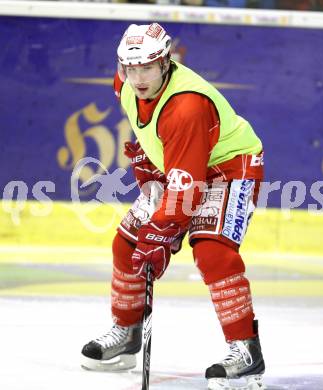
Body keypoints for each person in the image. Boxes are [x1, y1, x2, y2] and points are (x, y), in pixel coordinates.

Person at [81, 22, 266, 390]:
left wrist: (163, 234)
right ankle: (128, 331)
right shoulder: (126, 85)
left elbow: (185, 189)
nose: (137, 78)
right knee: (127, 244)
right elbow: (165, 147)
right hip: (185, 162)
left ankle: (246, 351)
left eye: (147, 67)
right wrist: (152, 156)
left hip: (229, 167)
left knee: (213, 253)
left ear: (166, 62)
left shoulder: (187, 107)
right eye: (130, 69)